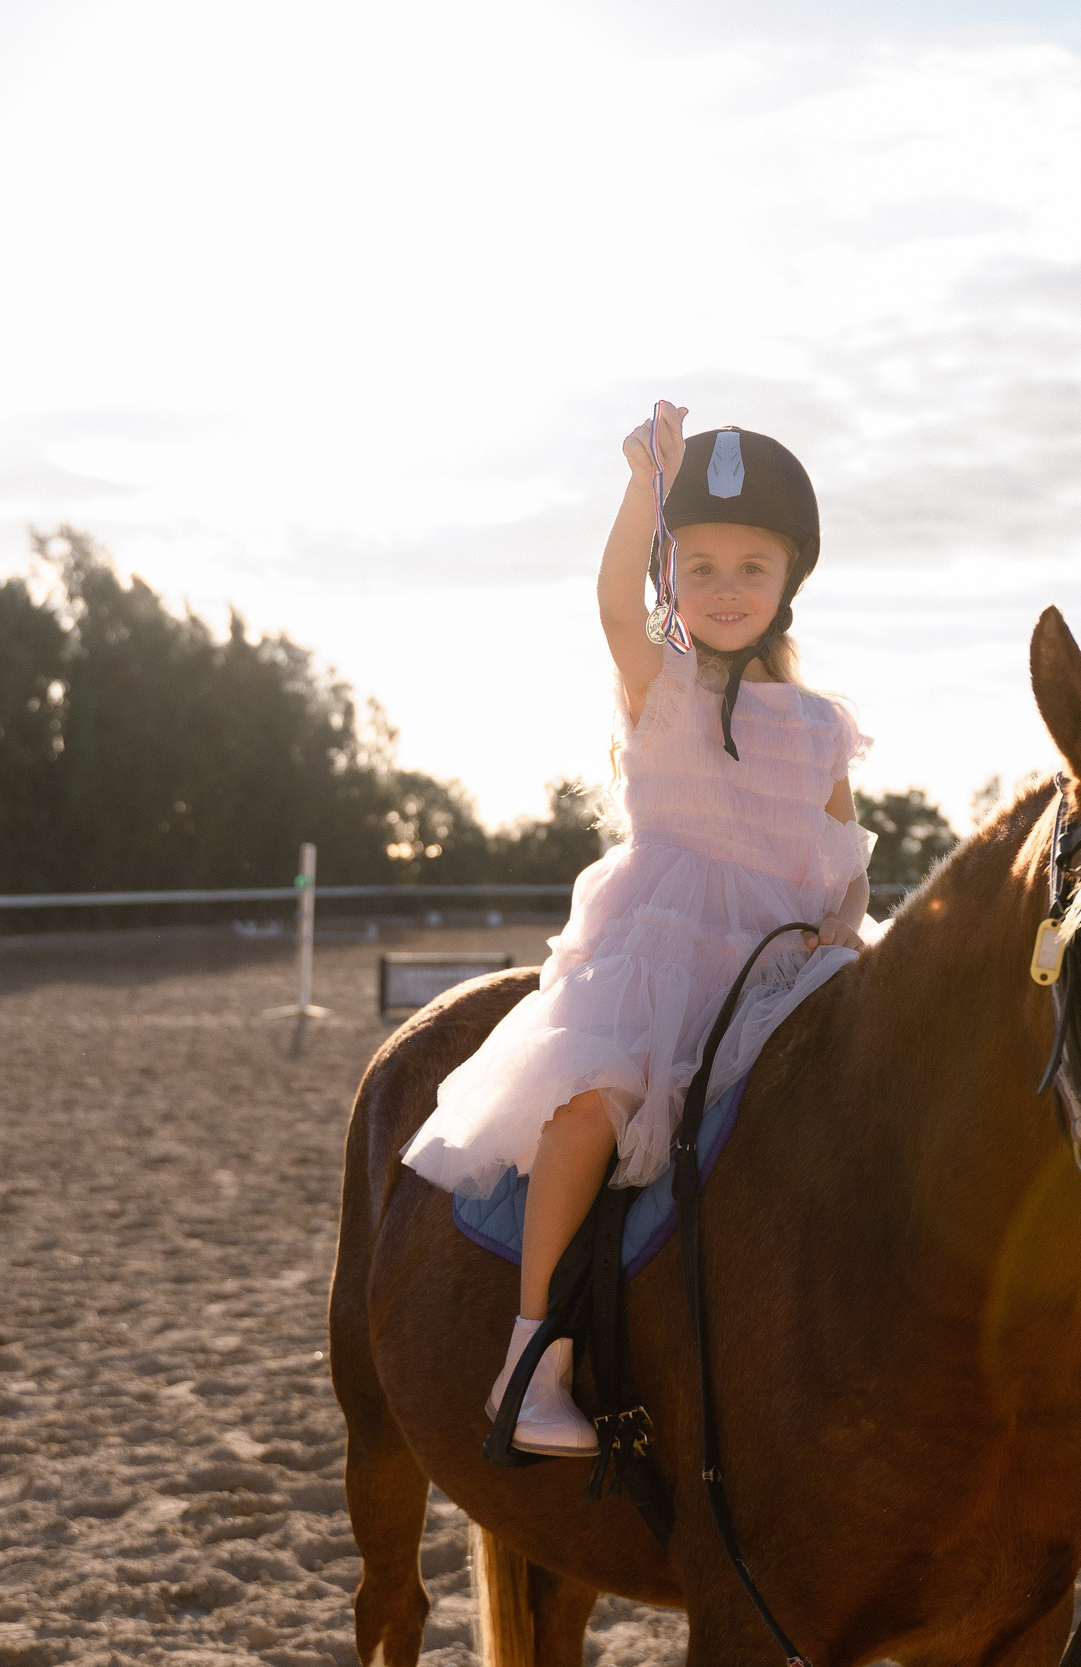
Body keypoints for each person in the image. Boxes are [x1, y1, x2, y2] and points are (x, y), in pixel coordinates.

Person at [401, 404, 874, 1456]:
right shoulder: (659, 683)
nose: (724, 585)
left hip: (776, 964)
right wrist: (640, 488)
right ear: (672, 578)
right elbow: (613, 601)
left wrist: (843, 939)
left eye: (750, 565)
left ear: (785, 581)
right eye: (698, 565)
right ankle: (533, 1358)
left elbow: (840, 861)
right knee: (589, 1112)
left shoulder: (818, 727)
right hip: (656, 962)